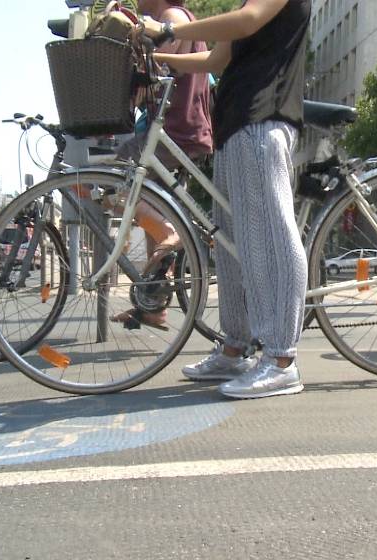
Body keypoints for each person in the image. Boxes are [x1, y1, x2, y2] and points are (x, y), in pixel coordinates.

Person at [141, 0, 310, 398]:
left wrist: (168, 31)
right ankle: (236, 346)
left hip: (263, 118)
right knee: (234, 245)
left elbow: (247, 20)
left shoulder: (256, 7)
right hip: (235, 124)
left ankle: (282, 359)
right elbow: (216, 61)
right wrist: (154, 56)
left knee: (270, 239)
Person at [109, 0, 213, 331]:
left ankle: (174, 233)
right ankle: (153, 307)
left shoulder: (172, 18)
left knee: (112, 181)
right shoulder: (181, 17)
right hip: (183, 129)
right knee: (151, 218)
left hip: (175, 130)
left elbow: (152, 75)